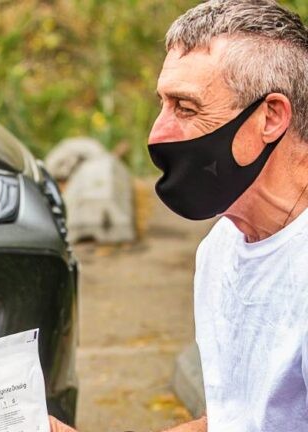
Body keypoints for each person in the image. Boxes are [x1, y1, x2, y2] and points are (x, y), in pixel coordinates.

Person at [49, 0, 308, 431]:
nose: (158, 133)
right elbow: (235, 423)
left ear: (271, 117)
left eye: (185, 108)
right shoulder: (221, 249)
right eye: (163, 104)